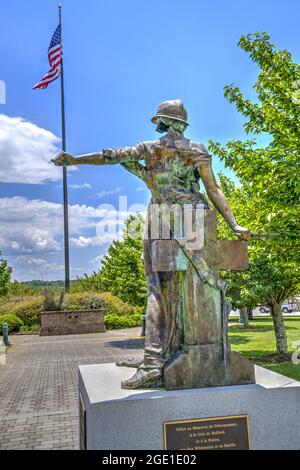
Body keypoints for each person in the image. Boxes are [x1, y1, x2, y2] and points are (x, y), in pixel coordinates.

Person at [53, 99, 250, 388]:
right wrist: (234, 223)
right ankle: (164, 353)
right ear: (182, 124)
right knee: (186, 291)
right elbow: (213, 189)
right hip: (196, 216)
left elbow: (111, 156)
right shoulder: (197, 150)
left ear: (163, 122)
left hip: (163, 216)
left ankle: (154, 362)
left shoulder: (149, 149)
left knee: (158, 290)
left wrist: (75, 160)